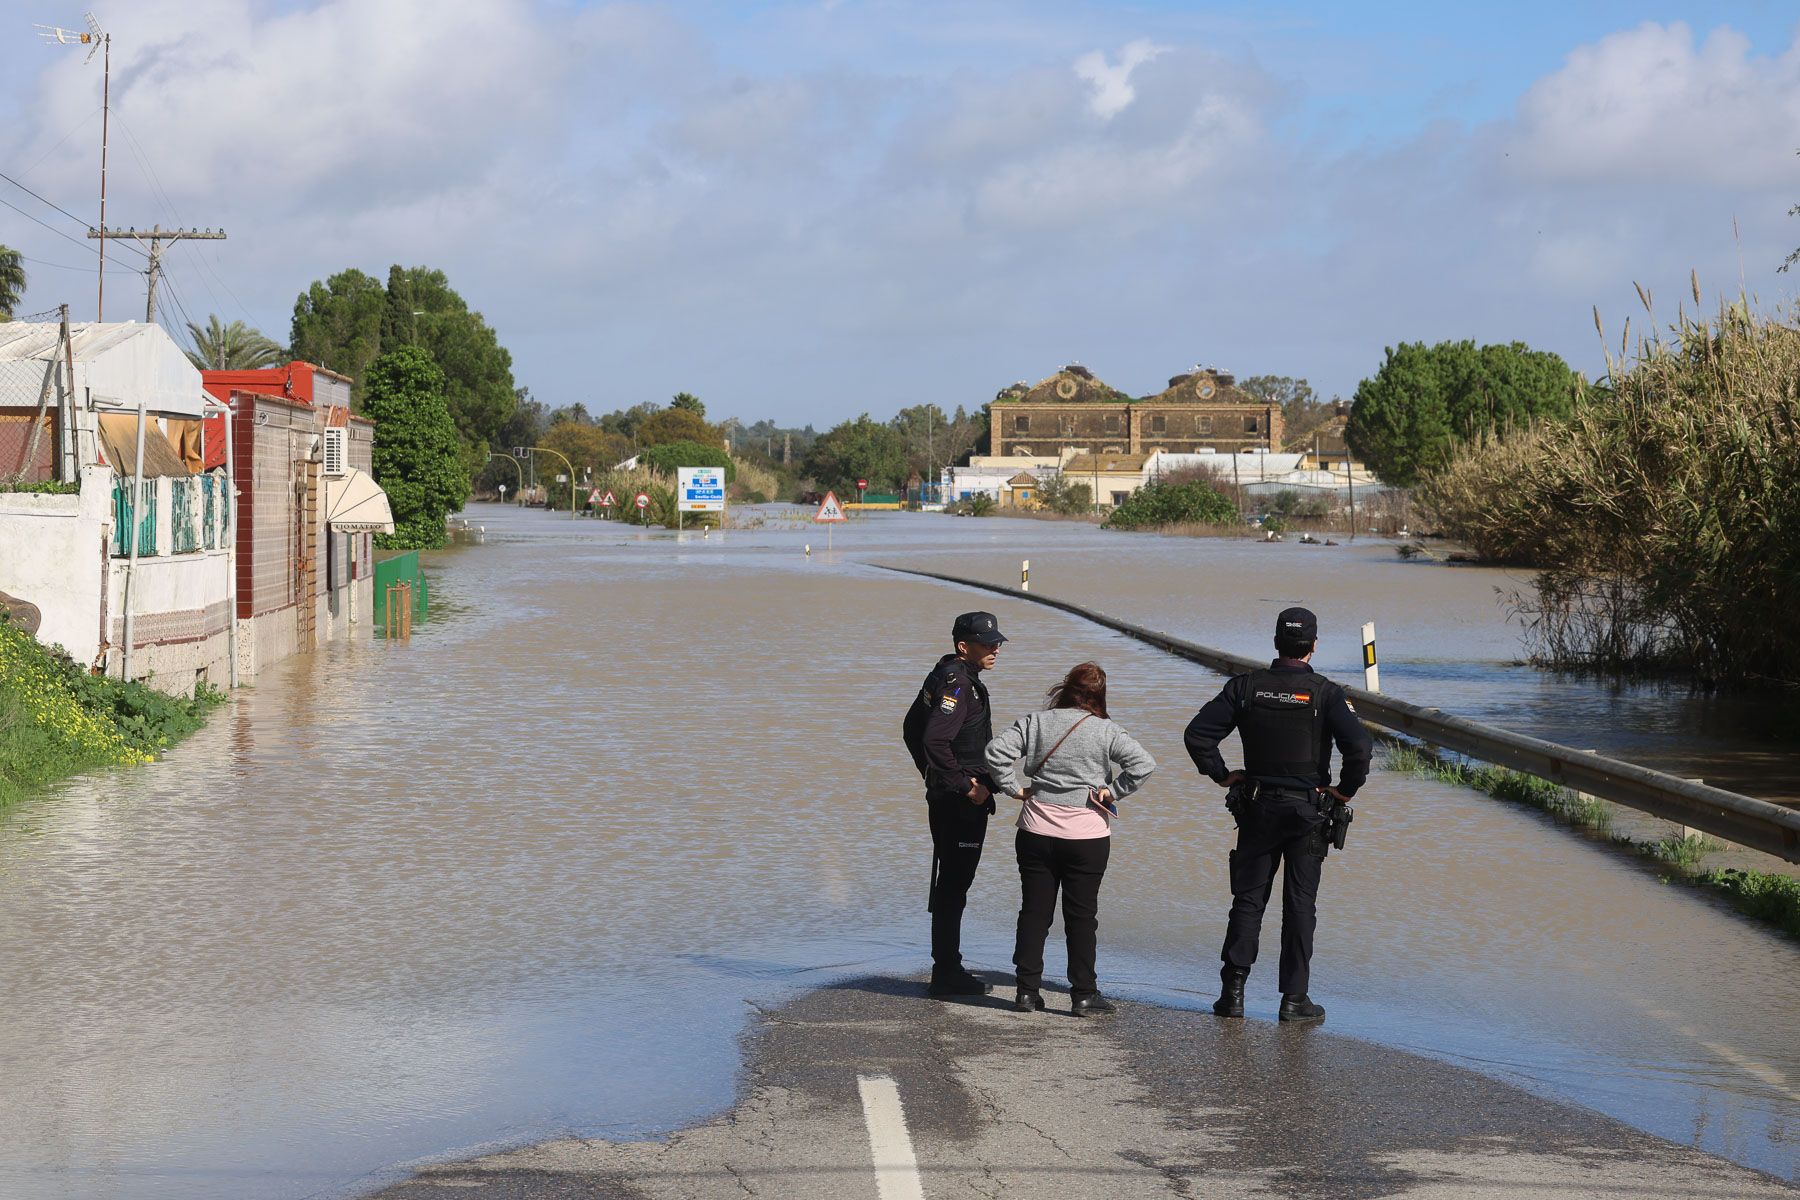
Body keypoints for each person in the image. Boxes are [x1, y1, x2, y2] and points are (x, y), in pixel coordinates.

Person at [1183, 607, 1372, 1025]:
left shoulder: (1246, 687)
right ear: (1314, 646)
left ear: (1275, 643)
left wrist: (1222, 775)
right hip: (1308, 810)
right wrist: (1345, 789)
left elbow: (1197, 734)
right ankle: (1294, 1000)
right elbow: (1359, 748)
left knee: (1248, 901)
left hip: (1257, 808)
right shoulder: (1326, 693)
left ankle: (1232, 995)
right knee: (1300, 905)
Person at [985, 662, 1155, 1017]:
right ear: (1100, 694)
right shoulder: (1107, 731)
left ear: (1064, 689)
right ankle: (1083, 995)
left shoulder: (1036, 722)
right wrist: (1112, 792)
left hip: (1035, 830)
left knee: (1034, 912)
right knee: (1082, 917)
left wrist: (1014, 789)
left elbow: (995, 753)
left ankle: (1026, 992)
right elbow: (1143, 764)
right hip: (1086, 837)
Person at [903, 611, 1007, 998]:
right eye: (987, 643)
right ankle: (947, 971)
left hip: (948, 795)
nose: (995, 649)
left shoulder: (946, 674)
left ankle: (946, 966)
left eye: (997, 642)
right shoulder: (958, 683)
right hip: (961, 801)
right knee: (954, 885)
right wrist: (964, 786)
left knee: (951, 882)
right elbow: (932, 740)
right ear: (964, 646)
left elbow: (911, 729)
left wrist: (933, 778)